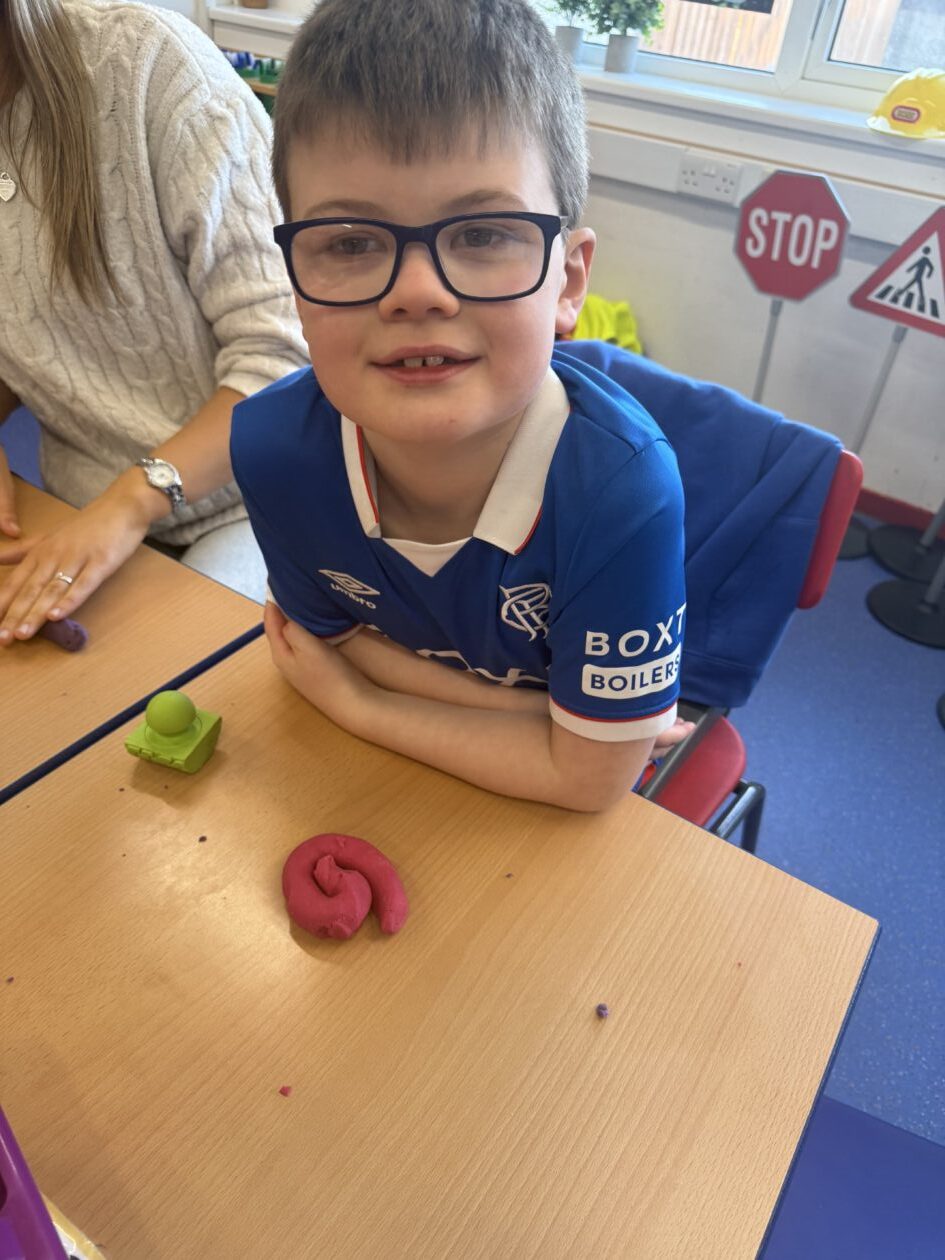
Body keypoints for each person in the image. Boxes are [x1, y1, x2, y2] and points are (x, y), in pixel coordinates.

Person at [231, 0, 690, 811]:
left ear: (568, 283)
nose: (416, 292)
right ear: (294, 286)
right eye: (349, 242)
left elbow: (590, 781)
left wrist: (361, 704)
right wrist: (554, 725)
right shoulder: (272, 447)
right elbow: (323, 639)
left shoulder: (623, 494)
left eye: (481, 234)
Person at [0, 0, 307, 645]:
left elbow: (287, 356)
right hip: (83, 510)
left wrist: (132, 500)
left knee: (173, 668)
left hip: (257, 504)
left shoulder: (147, 64)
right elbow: (23, 331)